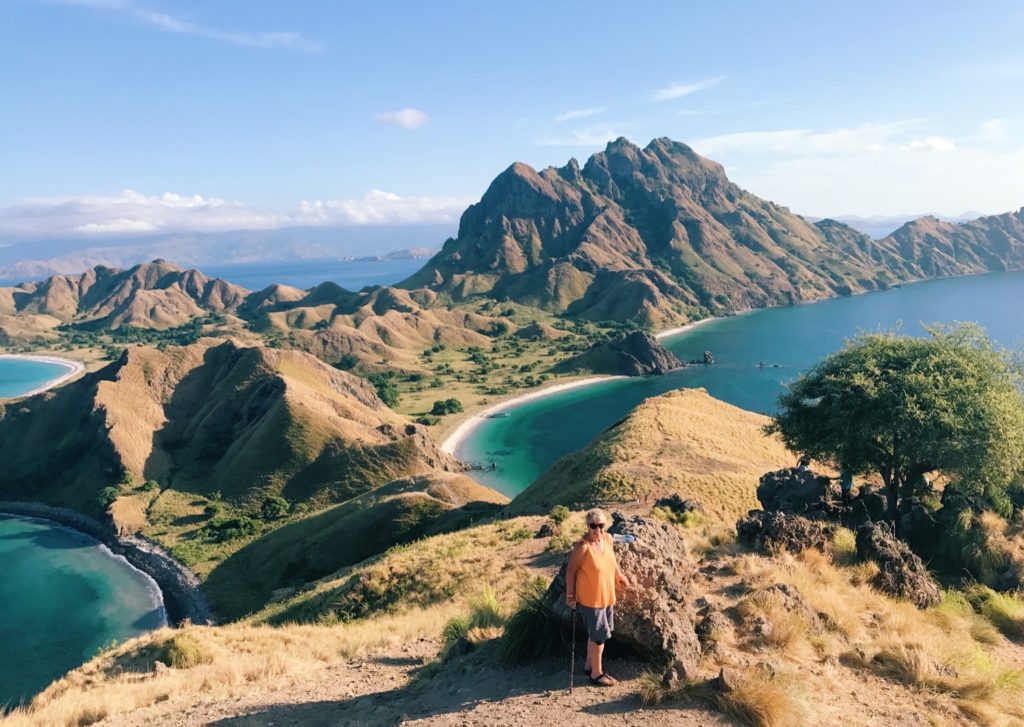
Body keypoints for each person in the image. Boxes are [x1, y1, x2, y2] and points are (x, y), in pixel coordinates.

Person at [565, 508, 632, 687]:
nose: (598, 530)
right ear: (588, 526)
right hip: (590, 600)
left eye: (601, 525)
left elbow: (613, 560)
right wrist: (570, 596)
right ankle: (596, 673)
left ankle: (588, 665)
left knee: (596, 633)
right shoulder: (583, 547)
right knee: (599, 636)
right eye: (593, 526)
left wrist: (620, 575)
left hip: (607, 595)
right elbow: (570, 571)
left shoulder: (608, 539)